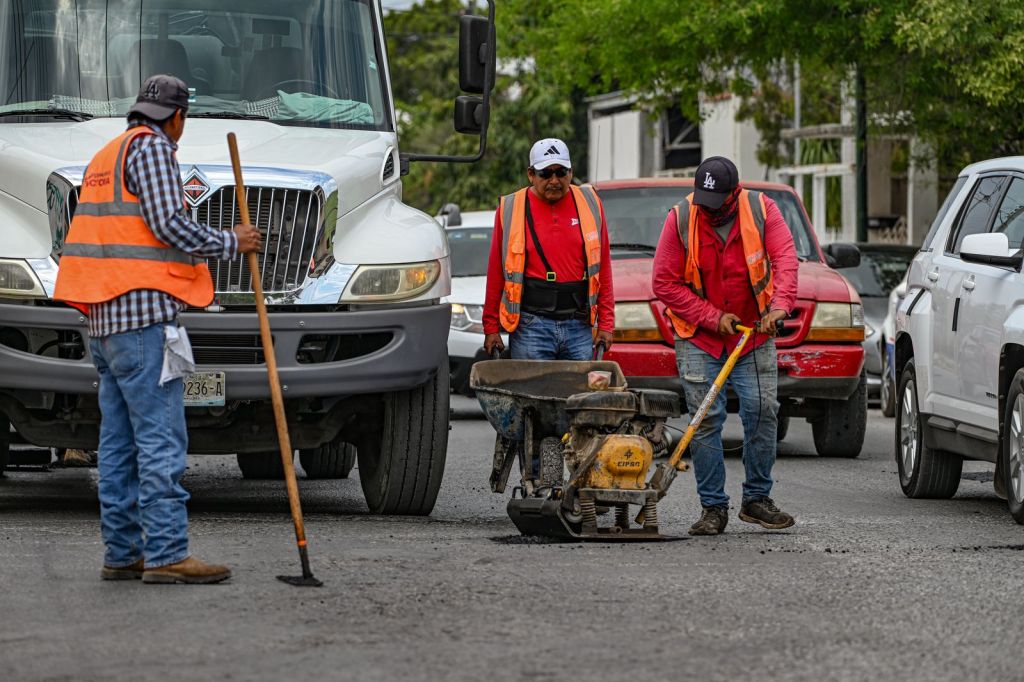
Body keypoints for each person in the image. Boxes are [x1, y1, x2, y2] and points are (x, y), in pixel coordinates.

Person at [53, 75, 262, 583]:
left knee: (120, 447)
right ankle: (168, 553)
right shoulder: (154, 150)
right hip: (144, 321)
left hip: (105, 322)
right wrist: (235, 241)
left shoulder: (107, 155)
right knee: (161, 439)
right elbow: (170, 224)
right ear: (177, 118)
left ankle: (123, 553)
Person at [651, 156, 799, 536]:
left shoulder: (762, 210)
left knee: (763, 409)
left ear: (734, 194)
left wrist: (780, 307)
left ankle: (756, 499)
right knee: (705, 420)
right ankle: (713, 507)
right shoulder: (681, 218)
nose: (710, 211)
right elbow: (664, 283)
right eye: (705, 202)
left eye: (718, 204)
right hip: (699, 335)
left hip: (752, 332)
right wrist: (712, 317)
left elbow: (785, 260)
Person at [483, 138, 614, 359]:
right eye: (545, 174)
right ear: (531, 174)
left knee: (578, 392)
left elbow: (604, 269)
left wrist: (607, 324)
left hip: (579, 325)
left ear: (571, 172)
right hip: (531, 326)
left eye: (561, 172)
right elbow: (496, 271)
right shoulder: (511, 208)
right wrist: (491, 327)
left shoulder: (591, 203)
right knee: (532, 392)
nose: (554, 180)